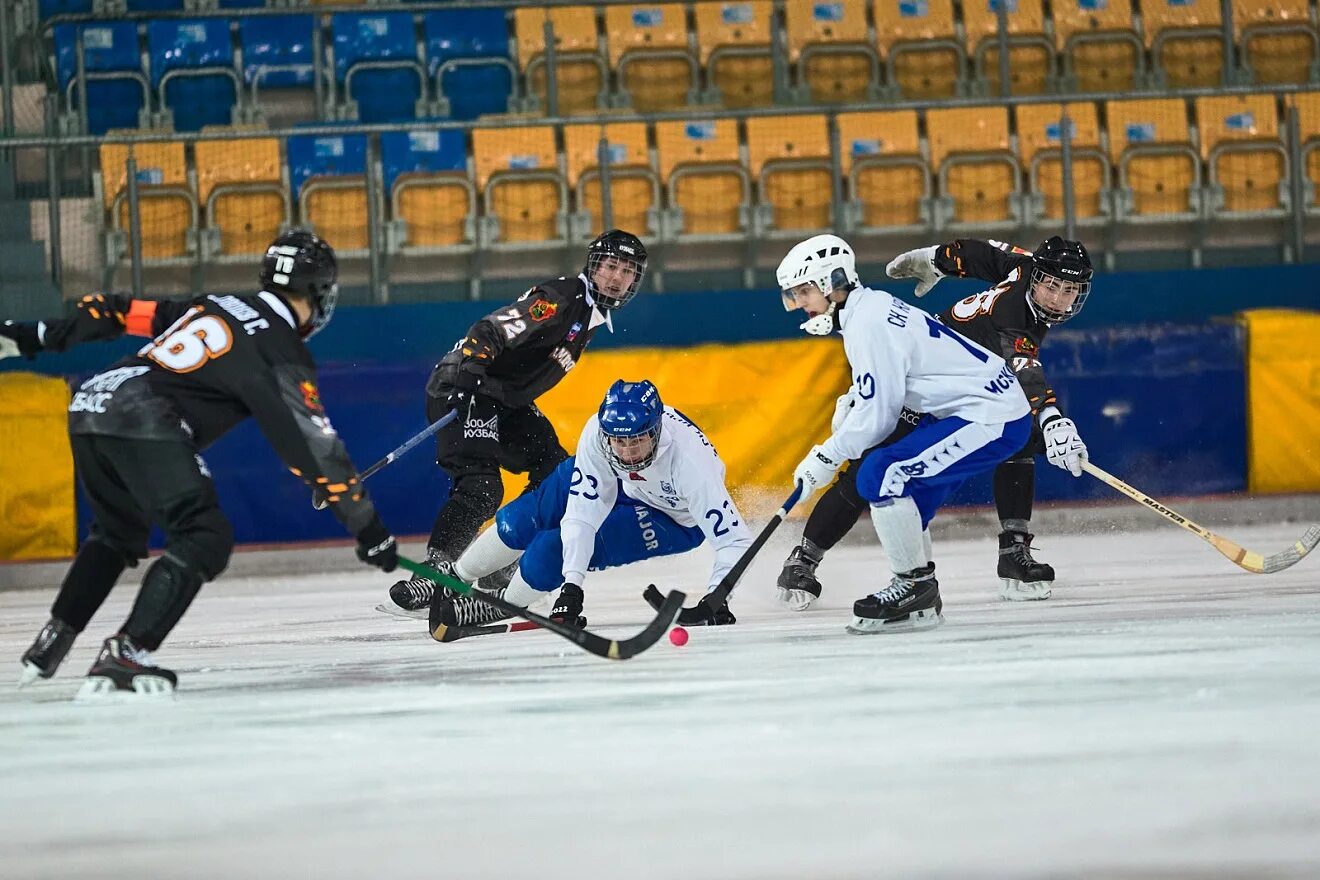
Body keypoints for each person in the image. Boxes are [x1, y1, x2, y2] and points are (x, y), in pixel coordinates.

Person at [0, 230, 398, 696]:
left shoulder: (214, 303)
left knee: (116, 534)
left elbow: (118, 310)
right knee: (205, 535)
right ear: (318, 293)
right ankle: (127, 652)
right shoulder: (282, 347)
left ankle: (52, 643)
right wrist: (369, 530)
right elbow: (316, 448)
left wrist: (34, 335)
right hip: (142, 415)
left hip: (92, 400)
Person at [776, 236, 1093, 609]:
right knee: (868, 470)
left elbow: (984, 255)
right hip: (934, 384)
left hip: (969, 392)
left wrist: (938, 259)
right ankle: (807, 558)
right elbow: (1025, 368)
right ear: (1036, 275)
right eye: (1050, 286)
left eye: (1068, 290)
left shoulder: (1024, 266)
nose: (1056, 298)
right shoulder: (1014, 318)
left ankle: (1009, 552)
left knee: (1015, 441)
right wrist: (1052, 418)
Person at [385, 230, 649, 616]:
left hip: (503, 401)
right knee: (481, 487)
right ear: (593, 266)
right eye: (611, 266)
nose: (617, 277)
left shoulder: (589, 316)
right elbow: (489, 330)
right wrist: (470, 374)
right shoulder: (561, 298)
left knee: (558, 472)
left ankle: (502, 563)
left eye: (627, 271)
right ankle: (435, 572)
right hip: (466, 387)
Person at [427, 379, 751, 634]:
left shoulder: (691, 464)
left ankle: (506, 603)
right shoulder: (597, 434)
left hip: (671, 517)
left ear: (656, 431)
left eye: (638, 440)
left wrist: (717, 595)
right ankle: (455, 577)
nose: (628, 452)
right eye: (619, 441)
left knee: (548, 552)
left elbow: (734, 540)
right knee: (523, 518)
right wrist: (572, 587)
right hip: (627, 485)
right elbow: (582, 516)